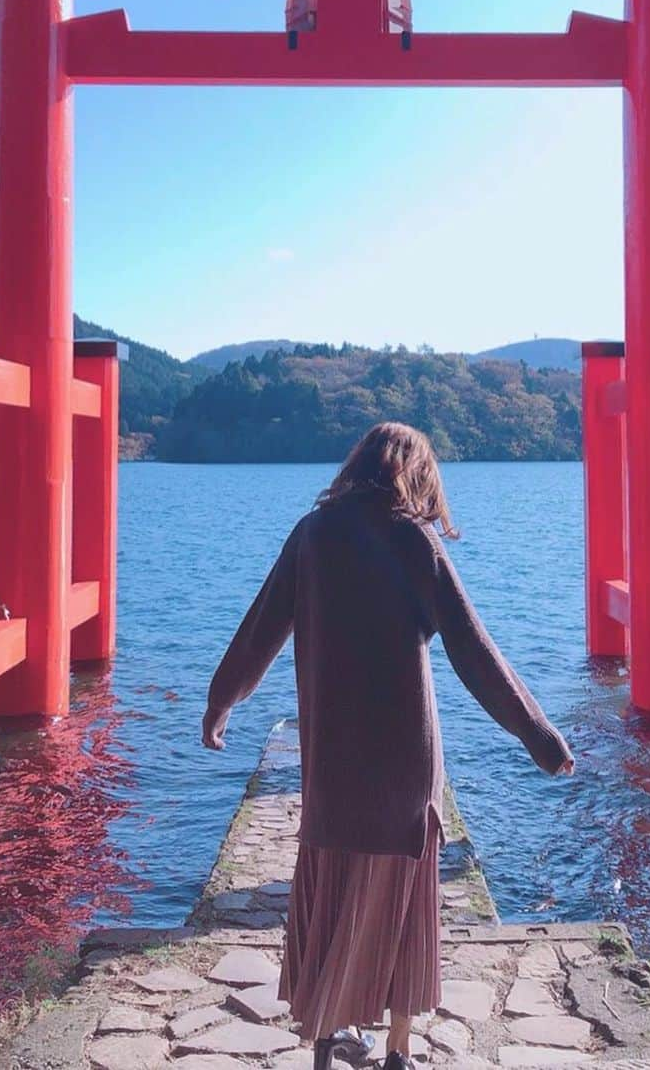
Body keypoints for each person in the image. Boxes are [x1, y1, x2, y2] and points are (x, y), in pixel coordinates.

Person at [203, 422, 574, 1070]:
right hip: (406, 771)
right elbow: (473, 650)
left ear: (358, 464)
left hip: (333, 769)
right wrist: (537, 734)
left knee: (328, 901)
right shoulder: (413, 541)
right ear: (417, 473)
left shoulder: (313, 535)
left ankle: (326, 1041)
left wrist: (221, 699)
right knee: (406, 914)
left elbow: (261, 626)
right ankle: (400, 1050)